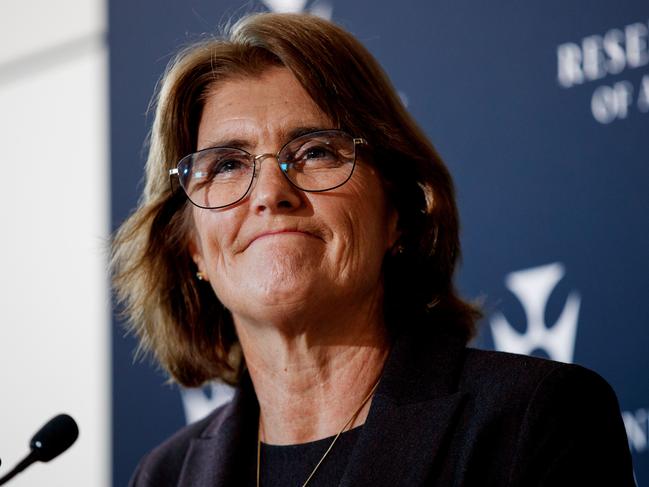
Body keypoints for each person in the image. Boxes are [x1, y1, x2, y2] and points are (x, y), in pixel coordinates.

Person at [112, 12, 635, 487]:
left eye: (315, 151)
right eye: (226, 164)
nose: (271, 193)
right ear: (192, 248)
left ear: (399, 213)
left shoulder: (532, 420)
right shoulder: (164, 475)